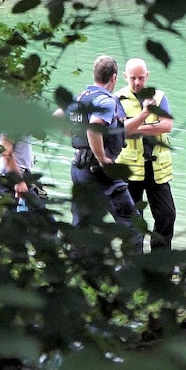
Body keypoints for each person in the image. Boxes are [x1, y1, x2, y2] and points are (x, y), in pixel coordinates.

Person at [54, 55, 155, 253]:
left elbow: (57, 117)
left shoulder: (82, 97)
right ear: (114, 77)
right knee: (133, 226)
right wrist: (103, 160)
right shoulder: (106, 102)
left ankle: (79, 274)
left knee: (82, 226)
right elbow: (94, 128)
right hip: (99, 172)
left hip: (79, 169)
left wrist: (143, 115)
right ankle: (131, 278)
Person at [116, 58, 176, 251]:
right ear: (125, 77)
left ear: (147, 76)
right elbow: (122, 131)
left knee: (167, 215)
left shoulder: (159, 97)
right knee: (133, 219)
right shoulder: (118, 99)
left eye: (141, 78)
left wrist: (136, 126)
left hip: (156, 167)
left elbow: (166, 126)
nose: (137, 82)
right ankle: (135, 263)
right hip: (130, 169)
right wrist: (151, 125)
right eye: (133, 78)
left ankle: (160, 261)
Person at [0, 133, 47, 214]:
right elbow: (6, 153)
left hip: (8, 175)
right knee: (42, 218)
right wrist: (19, 181)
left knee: (12, 217)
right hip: (15, 176)